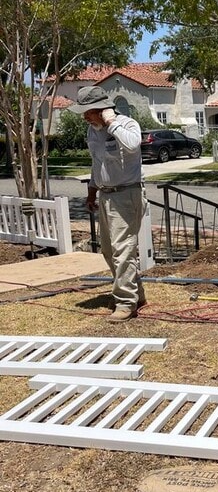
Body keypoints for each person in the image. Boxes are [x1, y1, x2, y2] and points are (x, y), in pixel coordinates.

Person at [68, 86, 147, 322]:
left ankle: (126, 302)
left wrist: (112, 123)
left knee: (123, 249)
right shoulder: (92, 131)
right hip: (105, 195)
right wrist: (91, 192)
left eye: (88, 112)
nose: (85, 117)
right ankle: (136, 293)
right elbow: (97, 163)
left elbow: (133, 145)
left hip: (127, 194)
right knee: (108, 249)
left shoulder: (127, 124)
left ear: (102, 109)